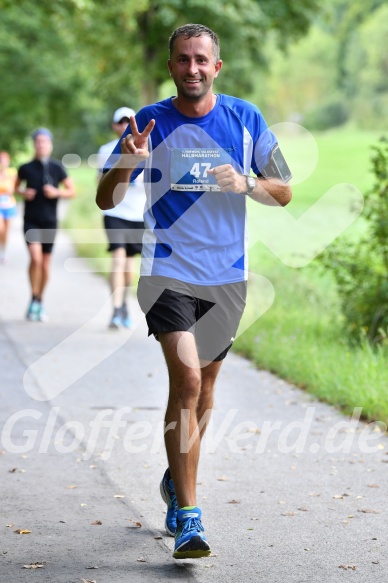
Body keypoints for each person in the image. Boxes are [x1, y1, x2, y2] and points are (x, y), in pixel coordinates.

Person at [97, 23, 292, 559]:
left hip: (227, 276)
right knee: (185, 378)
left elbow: (285, 190)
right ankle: (189, 515)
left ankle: (173, 478)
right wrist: (126, 163)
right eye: (182, 60)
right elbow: (104, 198)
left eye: (201, 59)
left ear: (217, 66)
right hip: (167, 271)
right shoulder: (149, 123)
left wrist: (249, 183)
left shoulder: (246, 119)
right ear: (171, 67)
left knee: (204, 390)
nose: (192, 69)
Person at [15, 128, 75, 321]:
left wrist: (57, 193)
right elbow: (15, 188)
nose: (41, 145)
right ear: (34, 144)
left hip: (49, 221)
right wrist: (23, 193)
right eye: (38, 141)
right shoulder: (25, 167)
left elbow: (71, 191)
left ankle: (39, 301)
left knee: (46, 264)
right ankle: (33, 297)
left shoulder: (57, 168)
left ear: (50, 145)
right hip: (31, 220)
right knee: (36, 258)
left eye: (45, 142)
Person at [97, 107, 146, 329]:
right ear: (115, 126)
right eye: (121, 122)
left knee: (128, 267)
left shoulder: (148, 149)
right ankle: (116, 309)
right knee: (117, 259)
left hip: (137, 214)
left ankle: (123, 301)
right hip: (114, 213)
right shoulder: (106, 150)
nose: (125, 126)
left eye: (130, 122)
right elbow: (101, 181)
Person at [0, 151, 17, 263]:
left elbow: (12, 189)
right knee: (0, 229)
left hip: (9, 204)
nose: (2, 162)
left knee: (6, 231)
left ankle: (3, 253)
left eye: (4, 160)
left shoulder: (12, 172)